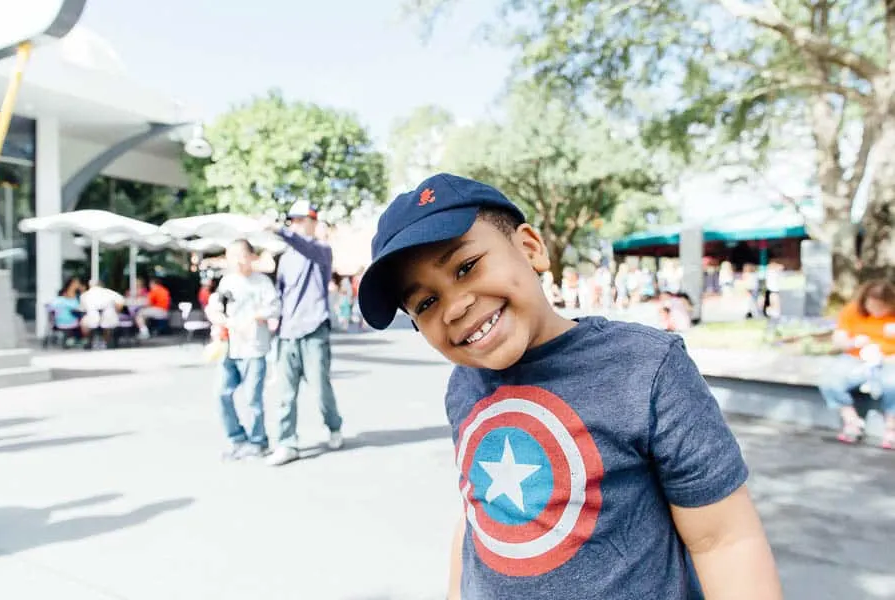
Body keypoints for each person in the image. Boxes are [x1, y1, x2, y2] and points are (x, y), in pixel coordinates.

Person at [357, 173, 782, 600]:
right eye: (426, 303)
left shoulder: (646, 367)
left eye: (467, 267)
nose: (456, 306)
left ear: (530, 248)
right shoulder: (463, 387)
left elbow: (724, 541)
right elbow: (476, 516)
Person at [263, 200, 344, 467]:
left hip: (314, 329)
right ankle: (287, 443)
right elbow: (281, 293)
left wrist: (279, 230)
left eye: (302, 220)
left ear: (312, 222)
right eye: (293, 221)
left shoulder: (320, 250)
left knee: (321, 389)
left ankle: (333, 426)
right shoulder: (285, 259)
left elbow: (304, 245)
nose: (297, 225)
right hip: (288, 333)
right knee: (286, 394)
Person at [205, 239, 280, 460]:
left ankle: (258, 441)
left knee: (252, 398)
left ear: (251, 256)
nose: (237, 260)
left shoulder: (262, 283)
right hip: (230, 346)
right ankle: (237, 438)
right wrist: (221, 320)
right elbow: (216, 307)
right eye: (232, 255)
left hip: (254, 347)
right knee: (221, 394)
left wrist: (255, 317)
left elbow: (275, 307)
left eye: (241, 255)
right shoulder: (227, 282)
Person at [819, 280, 895, 449]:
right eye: (873, 307)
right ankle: (851, 421)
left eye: (882, 308)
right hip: (857, 357)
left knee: (892, 384)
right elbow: (839, 340)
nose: (877, 312)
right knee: (831, 381)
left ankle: (891, 428)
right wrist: (852, 343)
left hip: (889, 358)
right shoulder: (853, 311)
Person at [79, 280, 125, 348]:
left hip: (92, 319)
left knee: (84, 322)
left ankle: (89, 341)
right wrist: (116, 311)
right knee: (108, 325)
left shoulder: (85, 295)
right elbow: (121, 302)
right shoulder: (110, 292)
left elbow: (82, 309)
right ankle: (108, 342)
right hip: (109, 318)